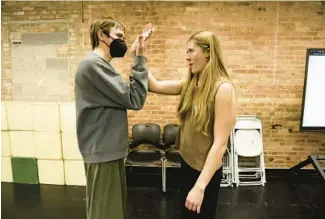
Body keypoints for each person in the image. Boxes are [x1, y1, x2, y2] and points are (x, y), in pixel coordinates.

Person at [147, 31, 237, 219]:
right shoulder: (192, 83)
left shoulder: (223, 89)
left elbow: (220, 145)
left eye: (191, 51)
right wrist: (138, 55)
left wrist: (200, 187)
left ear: (207, 52)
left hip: (205, 172)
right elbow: (154, 85)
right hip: (187, 165)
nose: (187, 57)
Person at [74, 17, 154, 219]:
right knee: (105, 213)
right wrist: (138, 57)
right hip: (103, 150)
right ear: (101, 35)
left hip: (108, 150)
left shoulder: (101, 66)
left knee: (112, 211)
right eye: (118, 36)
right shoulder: (93, 65)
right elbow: (134, 98)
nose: (122, 42)